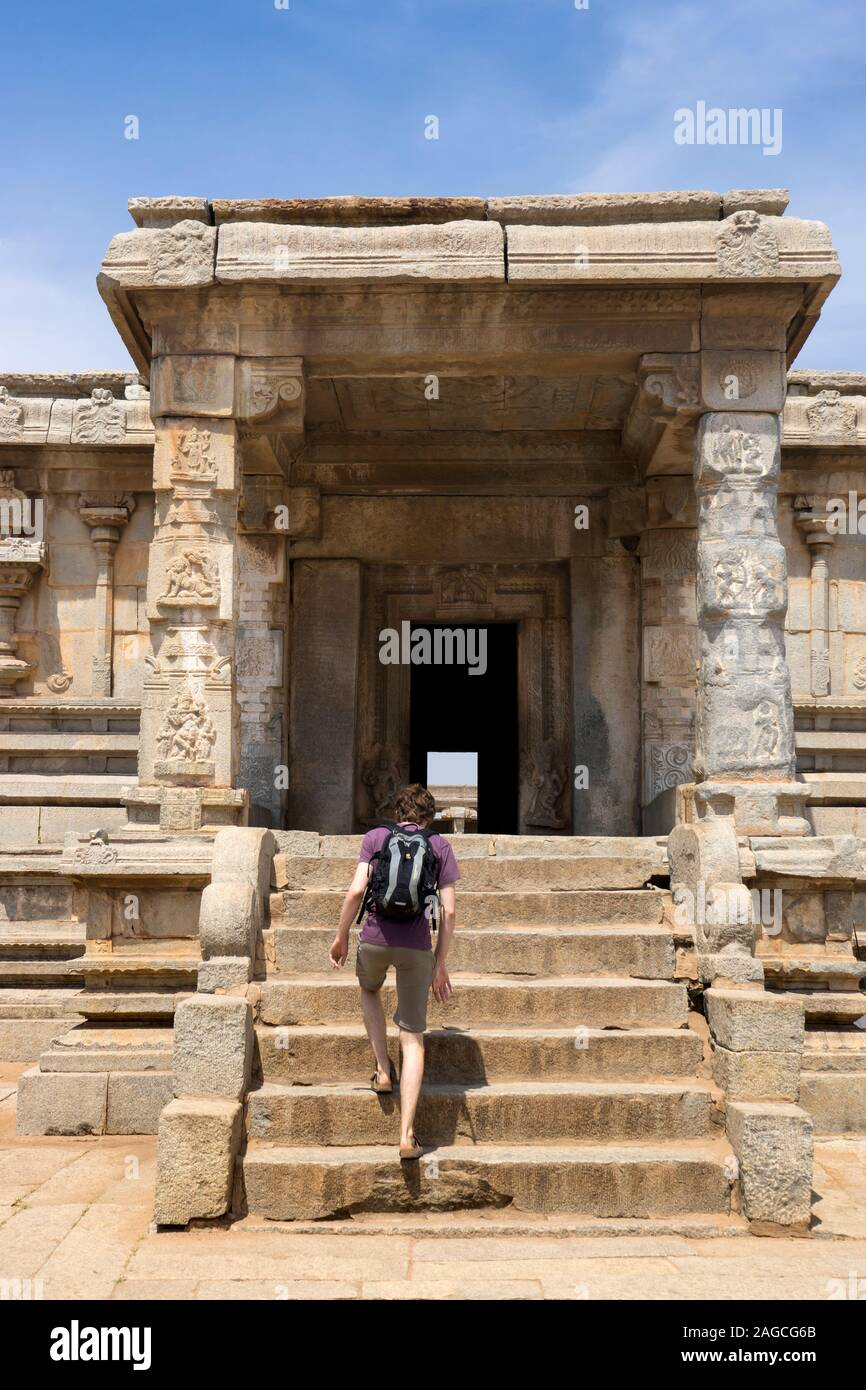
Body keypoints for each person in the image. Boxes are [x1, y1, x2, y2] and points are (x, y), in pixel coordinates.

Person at [329, 783, 459, 1160]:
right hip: (417, 946)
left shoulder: (376, 837)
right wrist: (440, 962)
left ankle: (383, 1072)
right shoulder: (440, 846)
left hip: (374, 937)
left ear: (396, 811)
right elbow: (449, 912)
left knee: (369, 990)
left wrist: (340, 937)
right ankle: (406, 1135)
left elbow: (356, 891)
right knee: (413, 1035)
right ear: (429, 816)